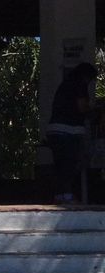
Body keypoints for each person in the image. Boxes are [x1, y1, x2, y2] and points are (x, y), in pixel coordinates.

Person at [46, 62, 98, 204]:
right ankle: (68, 195)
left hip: (54, 129)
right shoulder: (80, 85)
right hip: (69, 130)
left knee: (60, 164)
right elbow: (82, 108)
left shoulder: (65, 85)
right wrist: (93, 113)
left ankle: (60, 195)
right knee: (71, 163)